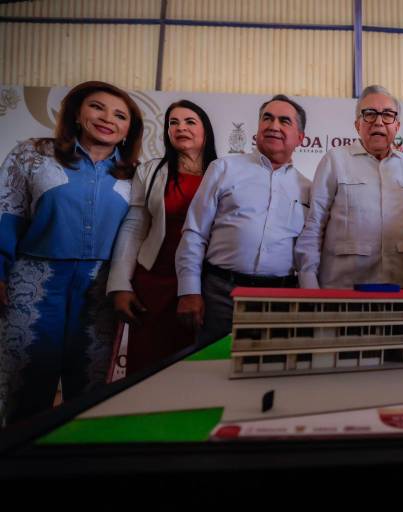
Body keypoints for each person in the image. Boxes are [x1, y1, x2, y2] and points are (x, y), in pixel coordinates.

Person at [0, 80, 143, 424]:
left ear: (129, 130)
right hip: (33, 284)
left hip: (99, 289)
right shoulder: (32, 154)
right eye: (97, 107)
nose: (107, 118)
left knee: (90, 393)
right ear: (77, 114)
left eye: (120, 115)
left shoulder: (138, 173)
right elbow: (8, 213)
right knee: (26, 387)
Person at [175, 94, 310, 346]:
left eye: (284, 121)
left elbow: (308, 253)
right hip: (220, 296)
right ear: (258, 128)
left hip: (280, 301)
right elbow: (195, 232)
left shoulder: (307, 188)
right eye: (267, 118)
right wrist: (189, 290)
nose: (273, 126)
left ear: (300, 138)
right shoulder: (223, 169)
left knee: (269, 366)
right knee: (212, 367)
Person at [107, 100, 217, 375]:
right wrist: (120, 284)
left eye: (190, 121)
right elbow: (134, 227)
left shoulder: (224, 171)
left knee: (197, 371)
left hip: (205, 284)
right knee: (148, 368)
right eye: (173, 123)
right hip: (153, 283)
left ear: (205, 129)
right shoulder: (150, 170)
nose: (180, 127)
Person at [295, 85, 403, 289]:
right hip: (341, 289)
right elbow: (315, 224)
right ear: (357, 125)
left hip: (395, 288)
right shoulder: (335, 160)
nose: (379, 122)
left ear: (397, 126)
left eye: (388, 115)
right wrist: (308, 283)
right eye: (370, 114)